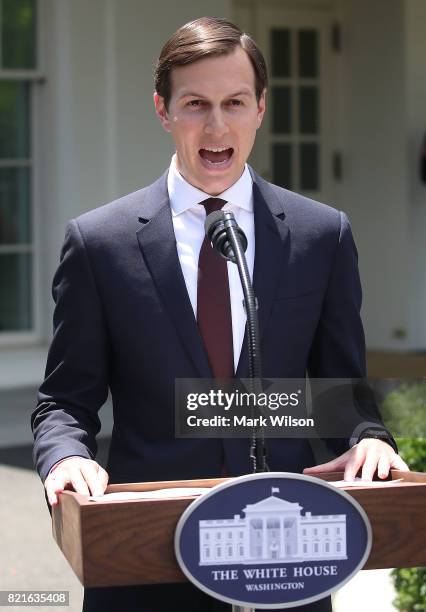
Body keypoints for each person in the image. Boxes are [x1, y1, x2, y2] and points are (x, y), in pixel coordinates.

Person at [31, 16, 408, 612]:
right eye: (195, 103)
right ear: (162, 109)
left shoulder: (321, 235)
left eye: (235, 102)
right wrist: (67, 457)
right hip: (146, 567)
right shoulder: (99, 243)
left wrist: (368, 439)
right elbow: (64, 402)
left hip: (286, 565)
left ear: (261, 107)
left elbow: (341, 394)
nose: (216, 125)